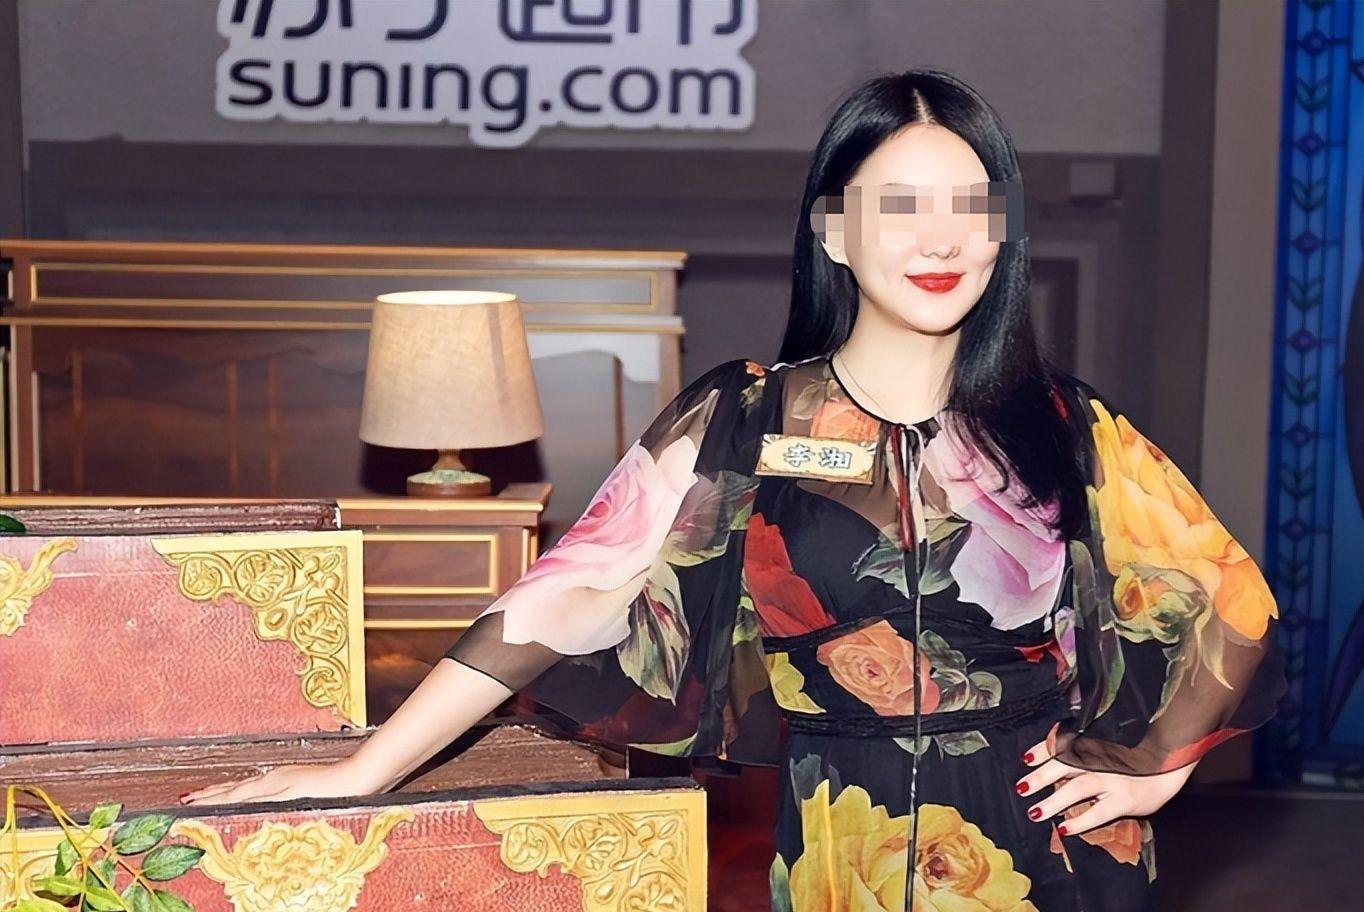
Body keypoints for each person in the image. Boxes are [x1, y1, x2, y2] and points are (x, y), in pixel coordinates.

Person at [181, 68, 1286, 911]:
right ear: (833, 231)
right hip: (838, 842)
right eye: (900, 204)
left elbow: (1225, 597)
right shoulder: (745, 418)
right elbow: (565, 595)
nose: (941, 237)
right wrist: (363, 770)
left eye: (970, 203)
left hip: (1052, 854)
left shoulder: (1061, 424)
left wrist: (1151, 771)